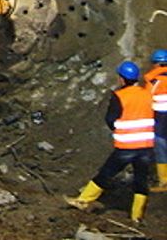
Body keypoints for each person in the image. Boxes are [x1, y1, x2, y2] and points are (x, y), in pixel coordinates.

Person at [65, 60, 154, 222]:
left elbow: (110, 119)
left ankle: (83, 200)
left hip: (126, 146)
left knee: (106, 174)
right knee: (141, 180)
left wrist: (120, 129)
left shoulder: (119, 96)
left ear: (122, 78)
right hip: (146, 146)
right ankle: (137, 216)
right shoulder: (147, 93)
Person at [146, 49, 167, 191]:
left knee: (160, 145)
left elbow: (147, 99)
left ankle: (164, 181)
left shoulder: (153, 79)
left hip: (160, 116)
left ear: (155, 64)